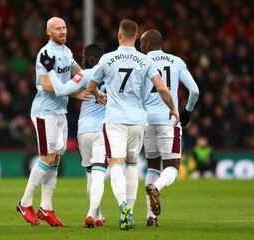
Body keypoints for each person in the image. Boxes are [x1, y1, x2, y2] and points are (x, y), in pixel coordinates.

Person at [86, 19, 179, 230]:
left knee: (116, 164)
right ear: (136, 38)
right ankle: (129, 210)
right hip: (139, 121)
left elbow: (91, 86)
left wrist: (99, 93)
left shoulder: (107, 59)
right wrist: (172, 108)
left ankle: (122, 206)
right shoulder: (145, 61)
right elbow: (162, 89)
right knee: (131, 165)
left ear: (119, 35)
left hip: (115, 120)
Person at [16, 17, 84, 227]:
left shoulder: (67, 52)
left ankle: (46, 207)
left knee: (55, 159)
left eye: (64, 27)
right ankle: (25, 203)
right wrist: (75, 93)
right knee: (46, 157)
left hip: (60, 112)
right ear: (48, 32)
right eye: (58, 29)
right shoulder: (45, 54)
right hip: (44, 112)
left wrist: (93, 89)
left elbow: (79, 73)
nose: (63, 31)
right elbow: (46, 85)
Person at [140, 29, 199, 227]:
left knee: (153, 166)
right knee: (172, 167)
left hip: (146, 121)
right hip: (168, 119)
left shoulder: (140, 62)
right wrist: (188, 111)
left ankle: (151, 217)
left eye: (142, 43)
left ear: (148, 44)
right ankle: (156, 188)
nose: (140, 47)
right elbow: (194, 90)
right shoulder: (176, 62)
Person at [74, 43, 107, 228]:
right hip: (102, 131)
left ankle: (98, 215)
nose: (82, 58)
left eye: (84, 55)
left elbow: (63, 89)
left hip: (84, 131)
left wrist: (77, 94)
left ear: (92, 58)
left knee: (90, 176)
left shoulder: (85, 75)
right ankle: (90, 214)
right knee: (99, 175)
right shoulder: (111, 75)